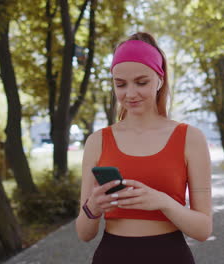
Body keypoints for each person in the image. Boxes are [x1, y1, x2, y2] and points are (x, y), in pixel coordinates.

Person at [75, 32, 212, 264]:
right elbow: (84, 234)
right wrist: (93, 207)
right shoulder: (97, 141)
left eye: (141, 82)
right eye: (120, 84)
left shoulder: (190, 138)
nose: (130, 93)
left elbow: (203, 230)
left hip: (170, 256)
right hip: (111, 256)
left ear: (159, 79)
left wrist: (163, 202)